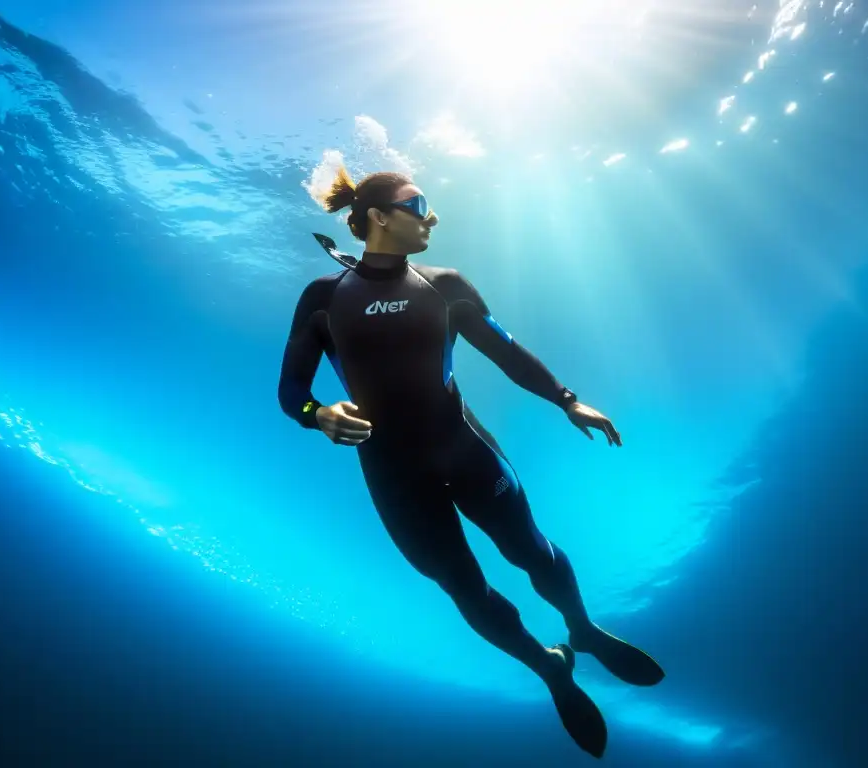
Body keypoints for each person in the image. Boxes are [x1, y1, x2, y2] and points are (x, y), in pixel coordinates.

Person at [278, 165, 663, 758]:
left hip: (465, 448)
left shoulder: (445, 285)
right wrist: (318, 413)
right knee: (463, 586)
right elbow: (291, 392)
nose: (430, 216)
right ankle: (547, 667)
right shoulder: (324, 298)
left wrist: (568, 402)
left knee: (530, 549)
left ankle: (581, 631)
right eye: (418, 203)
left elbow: (508, 355)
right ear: (378, 217)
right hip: (394, 474)